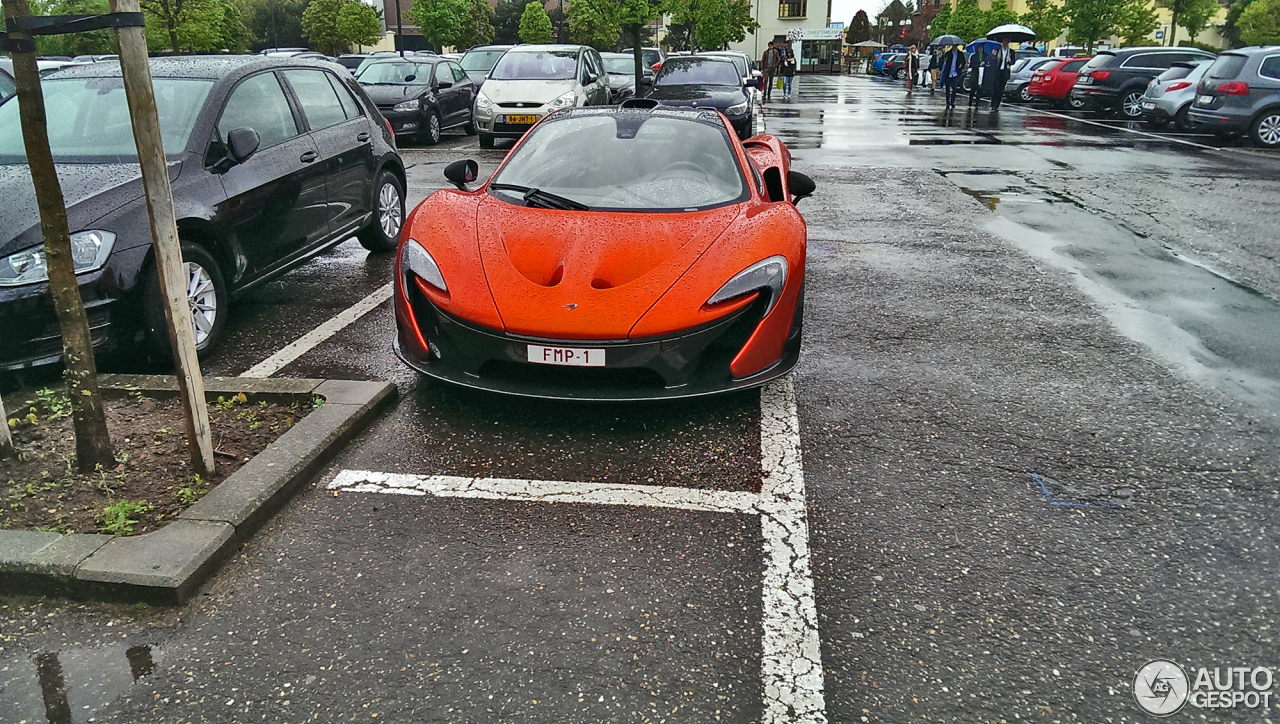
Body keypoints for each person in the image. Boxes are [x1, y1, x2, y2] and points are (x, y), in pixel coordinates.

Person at [985, 39, 1015, 111]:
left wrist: (1010, 60)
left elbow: (1013, 62)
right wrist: (993, 55)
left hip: (1005, 72)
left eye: (1006, 42)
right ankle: (993, 105)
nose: (1005, 43)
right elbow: (991, 59)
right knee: (996, 88)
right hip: (997, 72)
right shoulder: (997, 50)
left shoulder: (1011, 52)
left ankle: (997, 105)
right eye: (1004, 42)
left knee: (1001, 90)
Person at [938, 43, 966, 109]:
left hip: (955, 73)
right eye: (953, 45)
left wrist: (961, 65)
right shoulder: (948, 53)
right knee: (947, 88)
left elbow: (963, 62)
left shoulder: (960, 54)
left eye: (956, 45)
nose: (955, 47)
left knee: (954, 88)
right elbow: (942, 62)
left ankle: (952, 101)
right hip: (948, 73)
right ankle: (947, 102)